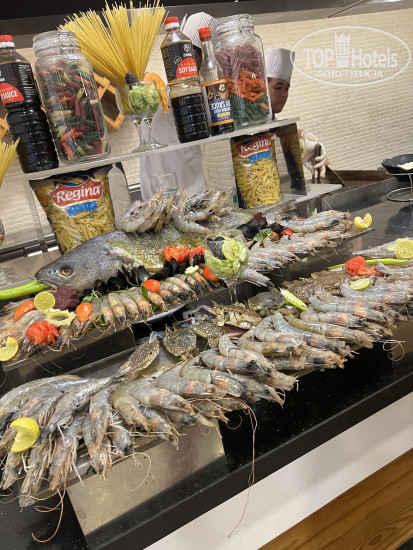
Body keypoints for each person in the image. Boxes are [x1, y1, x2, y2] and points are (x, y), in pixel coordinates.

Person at [139, 13, 216, 201]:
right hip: (185, 206)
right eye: (213, 59)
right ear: (192, 57)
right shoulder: (173, 104)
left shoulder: (159, 99)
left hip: (174, 206)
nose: (217, 68)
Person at [265, 47, 328, 180]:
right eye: (278, 87)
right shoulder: (249, 126)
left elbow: (277, 129)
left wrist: (305, 139)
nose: (284, 94)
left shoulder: (275, 121)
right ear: (262, 88)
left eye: (287, 88)